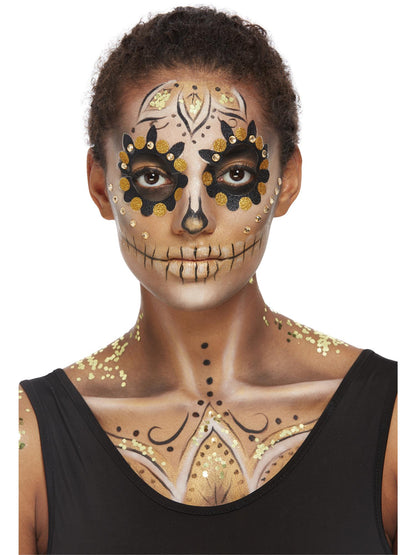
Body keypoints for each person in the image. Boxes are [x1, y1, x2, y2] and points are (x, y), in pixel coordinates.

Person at [18, 6, 397, 554]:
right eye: (152, 176)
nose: (193, 218)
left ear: (287, 180)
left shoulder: (394, 420)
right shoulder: (27, 442)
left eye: (235, 174)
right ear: (101, 186)